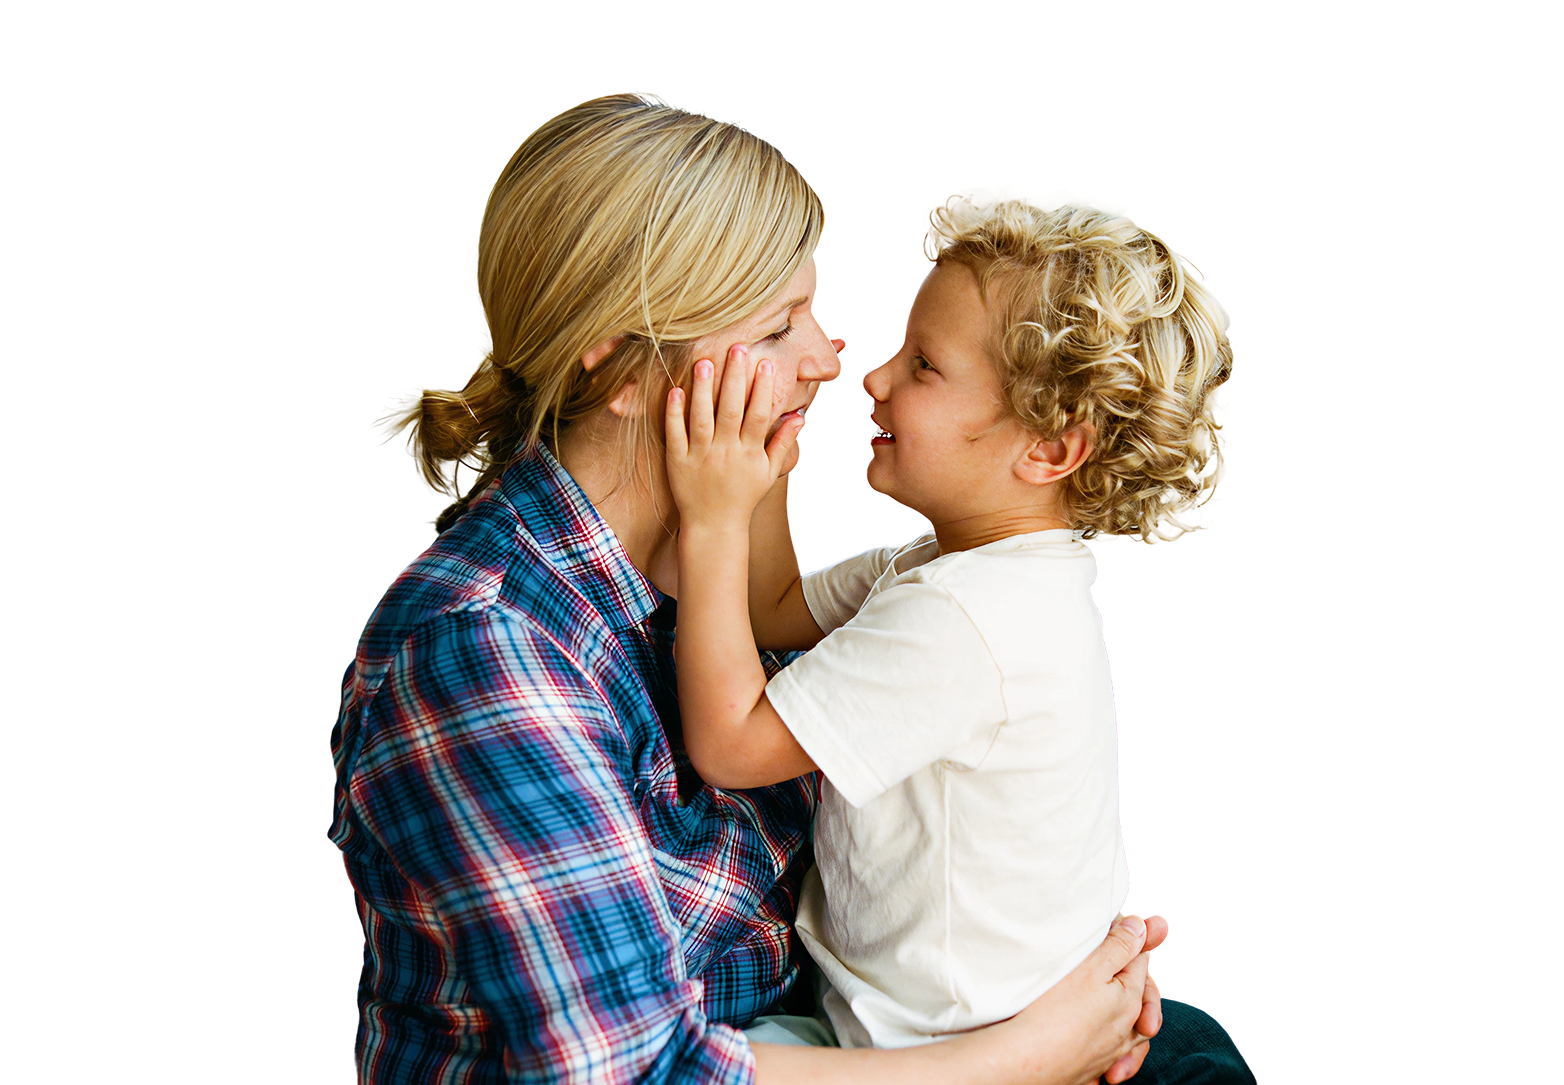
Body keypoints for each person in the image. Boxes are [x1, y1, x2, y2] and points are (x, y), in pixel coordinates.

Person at [328, 93, 1227, 1083]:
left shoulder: (767, 568)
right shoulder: (482, 652)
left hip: (856, 1028)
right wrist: (1033, 1047)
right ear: (627, 371)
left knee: (1187, 1047)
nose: (833, 360)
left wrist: (1066, 966)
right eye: (776, 329)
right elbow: (644, 1073)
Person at [662, 183, 1253, 1077]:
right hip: (952, 1019)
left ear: (1048, 449)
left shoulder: (964, 620)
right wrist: (764, 465)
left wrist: (710, 520)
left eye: (923, 366)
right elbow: (769, 607)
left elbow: (731, 746)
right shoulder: (947, 566)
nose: (874, 375)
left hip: (945, 1052)